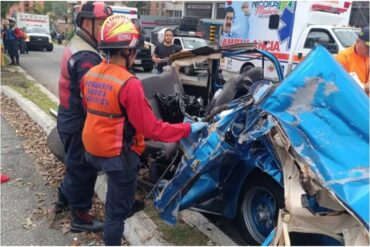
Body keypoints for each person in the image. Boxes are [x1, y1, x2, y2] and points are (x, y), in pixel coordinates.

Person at [80, 15, 207, 245]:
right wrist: (188, 129)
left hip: (91, 148)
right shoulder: (128, 84)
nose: (137, 54)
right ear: (127, 52)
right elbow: (152, 129)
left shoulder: (89, 75)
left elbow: (88, 107)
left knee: (123, 188)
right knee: (115, 215)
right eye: (135, 50)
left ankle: (126, 201)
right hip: (117, 156)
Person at [55, 1, 113, 233]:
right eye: (102, 24)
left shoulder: (81, 45)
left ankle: (64, 196)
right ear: (87, 23)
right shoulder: (87, 57)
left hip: (69, 116)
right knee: (83, 169)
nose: (105, 29)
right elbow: (95, 98)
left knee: (75, 164)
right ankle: (80, 217)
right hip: (78, 122)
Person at [336, 27, 369, 94]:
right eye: (367, 46)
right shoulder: (343, 58)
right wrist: (364, 87)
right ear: (357, 41)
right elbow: (338, 86)